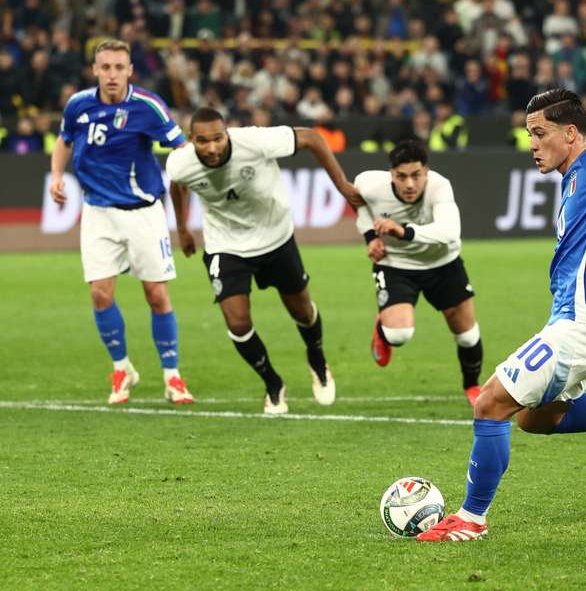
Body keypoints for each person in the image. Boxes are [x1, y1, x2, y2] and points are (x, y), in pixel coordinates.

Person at [418, 88, 586, 542]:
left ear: (571, 132)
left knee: (490, 404)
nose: (533, 144)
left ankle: (471, 519)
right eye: (529, 135)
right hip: (581, 323)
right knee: (534, 418)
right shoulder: (574, 180)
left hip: (582, 326)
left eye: (540, 133)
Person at [166, 107, 361, 414]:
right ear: (192, 141)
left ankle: (317, 359)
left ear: (227, 133)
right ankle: (273, 383)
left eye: (218, 138)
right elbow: (177, 185)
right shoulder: (180, 163)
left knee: (301, 310)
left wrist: (342, 186)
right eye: (203, 141)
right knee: (238, 323)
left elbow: (311, 138)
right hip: (225, 245)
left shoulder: (256, 142)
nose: (212, 147)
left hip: (276, 237)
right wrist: (182, 228)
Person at [49, 39, 193, 406]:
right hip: (97, 213)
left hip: (143, 212)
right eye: (105, 67)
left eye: (119, 67)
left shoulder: (148, 107)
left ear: (130, 71)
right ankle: (122, 367)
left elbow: (183, 150)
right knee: (100, 294)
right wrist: (56, 175)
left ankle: (172, 376)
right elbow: (64, 140)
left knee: (157, 295)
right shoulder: (78, 105)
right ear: (95, 70)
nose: (112, 74)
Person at [354, 140, 484, 407]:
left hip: (443, 264)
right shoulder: (369, 184)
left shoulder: (439, 186)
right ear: (391, 174)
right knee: (398, 335)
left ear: (426, 171)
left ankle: (471, 386)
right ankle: (382, 328)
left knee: (467, 335)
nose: (409, 184)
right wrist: (370, 237)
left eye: (416, 175)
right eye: (401, 177)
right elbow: (360, 203)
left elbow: (449, 232)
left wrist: (404, 230)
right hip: (395, 265)